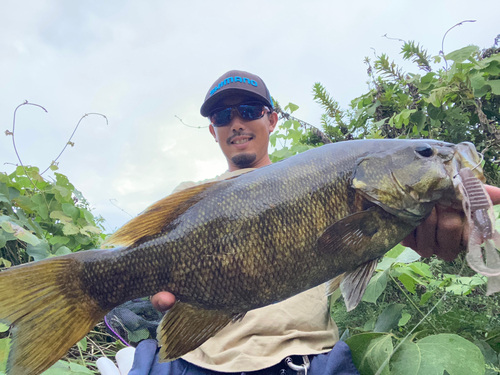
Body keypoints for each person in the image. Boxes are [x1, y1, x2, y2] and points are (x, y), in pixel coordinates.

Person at [125, 70, 500, 375]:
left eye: (249, 111)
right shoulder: (191, 195)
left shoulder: (324, 179)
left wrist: (454, 231)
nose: (236, 123)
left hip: (303, 362)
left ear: (271, 119)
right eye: (223, 116)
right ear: (212, 130)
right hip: (196, 361)